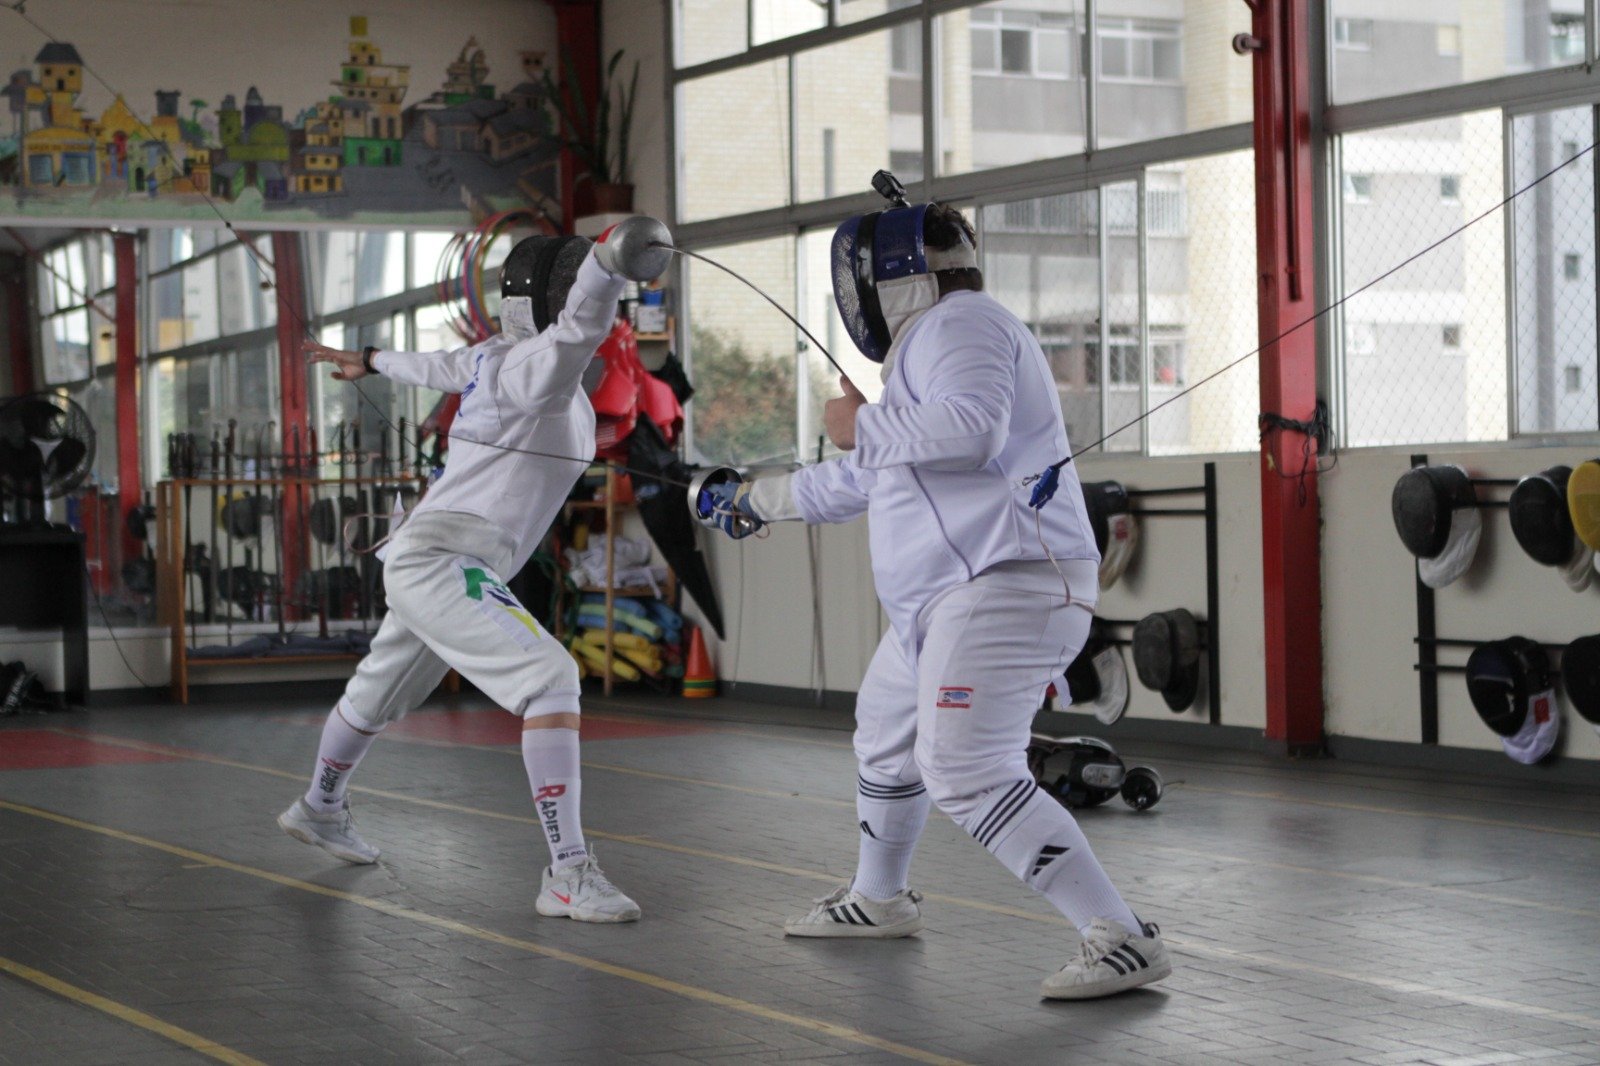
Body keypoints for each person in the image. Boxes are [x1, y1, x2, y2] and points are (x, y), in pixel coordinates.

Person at [701, 189, 1171, 998]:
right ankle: (878, 899)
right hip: (945, 605)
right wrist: (749, 500)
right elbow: (863, 479)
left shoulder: (964, 325)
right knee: (885, 736)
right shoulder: (929, 349)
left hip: (1004, 586)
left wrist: (861, 425)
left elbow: (969, 431)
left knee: (962, 765)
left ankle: (1123, 936)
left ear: (890, 281)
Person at [277, 218, 673, 924]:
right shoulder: (538, 365)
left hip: (430, 555)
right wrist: (611, 265)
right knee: (550, 676)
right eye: (573, 284)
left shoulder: (495, 355)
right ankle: (568, 872)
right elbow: (580, 327)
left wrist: (366, 358)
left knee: (377, 692)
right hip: (445, 559)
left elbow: (433, 364)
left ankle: (319, 808)